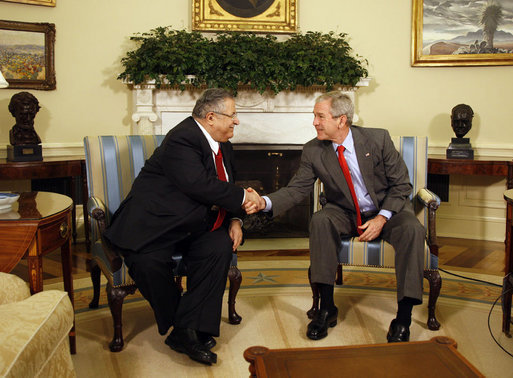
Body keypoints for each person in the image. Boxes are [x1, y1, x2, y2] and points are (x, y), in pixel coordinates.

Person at [246, 91, 425, 343]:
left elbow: (401, 185)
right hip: (343, 212)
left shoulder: (377, 139)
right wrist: (265, 202)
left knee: (413, 230)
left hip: (387, 209)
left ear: (341, 120)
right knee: (320, 220)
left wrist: (382, 218)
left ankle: (403, 319)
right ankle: (326, 308)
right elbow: (297, 189)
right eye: (314, 116)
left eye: (320, 116)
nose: (315, 122)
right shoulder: (313, 150)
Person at [104, 88, 261, 365]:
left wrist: (236, 219)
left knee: (219, 247)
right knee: (147, 264)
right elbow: (198, 185)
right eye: (233, 115)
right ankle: (185, 328)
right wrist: (245, 198)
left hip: (195, 223)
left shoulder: (223, 143)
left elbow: (224, 184)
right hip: (153, 224)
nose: (236, 121)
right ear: (211, 117)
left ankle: (186, 330)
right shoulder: (183, 138)